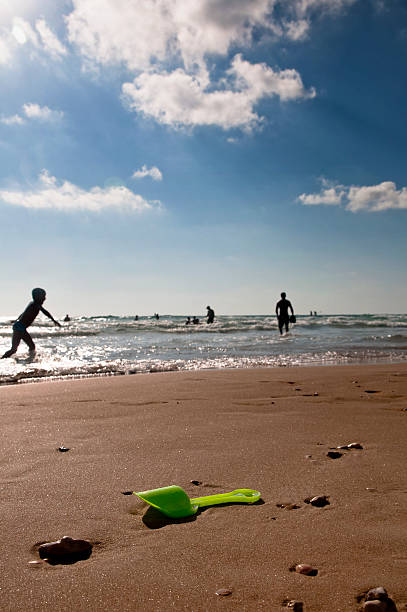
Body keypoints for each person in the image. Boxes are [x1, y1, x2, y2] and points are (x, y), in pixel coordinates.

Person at [2, 288, 61, 358]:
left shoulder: (32, 304)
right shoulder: (36, 304)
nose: (45, 298)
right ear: (37, 297)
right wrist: (53, 320)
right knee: (31, 347)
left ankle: (4, 359)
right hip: (20, 328)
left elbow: (23, 313)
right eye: (43, 296)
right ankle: (30, 360)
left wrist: (17, 320)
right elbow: (45, 312)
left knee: (14, 349)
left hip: (18, 326)